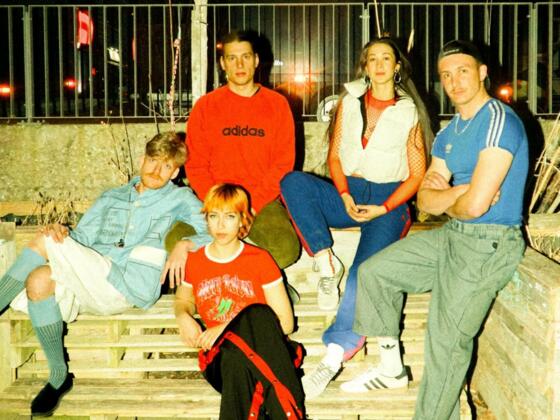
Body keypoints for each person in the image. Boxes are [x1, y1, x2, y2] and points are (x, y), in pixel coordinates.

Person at [341, 40, 529, 420]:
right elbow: (426, 200)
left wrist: (454, 198)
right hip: (454, 235)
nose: (454, 81)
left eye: (463, 71)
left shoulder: (499, 120)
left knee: (445, 342)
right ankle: (391, 368)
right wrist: (460, 192)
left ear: (482, 73)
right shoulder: (450, 131)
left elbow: (477, 207)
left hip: (489, 243)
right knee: (375, 273)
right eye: (446, 75)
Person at [0, 131, 211, 417]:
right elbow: (82, 238)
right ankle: (59, 376)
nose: (156, 170)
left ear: (175, 173)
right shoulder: (112, 197)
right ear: (142, 160)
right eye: (153, 160)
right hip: (90, 282)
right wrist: (63, 232)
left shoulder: (180, 198)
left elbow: (214, 230)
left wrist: (185, 244)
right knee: (38, 280)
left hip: (127, 285)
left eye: (166, 166)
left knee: (44, 241)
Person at [280, 37, 433, 398]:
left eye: (386, 58)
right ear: (364, 66)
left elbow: (416, 174)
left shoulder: (408, 111)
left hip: (387, 203)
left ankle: (333, 356)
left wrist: (384, 207)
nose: (379, 64)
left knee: (363, 275)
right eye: (371, 58)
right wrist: (344, 194)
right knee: (293, 182)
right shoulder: (348, 102)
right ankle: (325, 260)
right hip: (348, 192)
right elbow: (334, 156)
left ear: (397, 66)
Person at [166, 29, 300, 271]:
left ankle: (247, 281)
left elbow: (283, 165)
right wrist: (220, 209)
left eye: (245, 57)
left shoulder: (277, 105)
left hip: (260, 200)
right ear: (223, 63)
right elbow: (196, 165)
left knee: (284, 248)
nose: (239, 65)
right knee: (175, 240)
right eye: (232, 58)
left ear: (256, 60)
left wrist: (250, 208)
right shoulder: (206, 106)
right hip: (214, 198)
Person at [173, 183, 305, 419]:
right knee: (235, 353)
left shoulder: (260, 260)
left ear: (243, 220)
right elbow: (184, 298)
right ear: (206, 219)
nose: (220, 225)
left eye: (230, 216)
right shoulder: (195, 261)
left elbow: (286, 324)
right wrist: (183, 315)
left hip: (264, 354)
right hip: (220, 358)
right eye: (214, 216)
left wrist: (227, 328)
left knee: (258, 315)